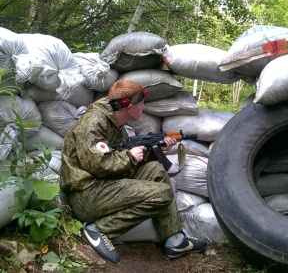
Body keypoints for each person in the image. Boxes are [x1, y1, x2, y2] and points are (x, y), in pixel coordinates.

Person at [59, 80, 207, 264]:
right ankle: (99, 229)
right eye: (141, 103)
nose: (144, 107)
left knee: (156, 169)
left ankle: (174, 239)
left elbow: (123, 156)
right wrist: (129, 157)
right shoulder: (94, 122)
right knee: (162, 194)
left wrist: (157, 150)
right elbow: (96, 163)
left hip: (104, 185)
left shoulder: (115, 122)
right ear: (128, 107)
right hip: (87, 193)